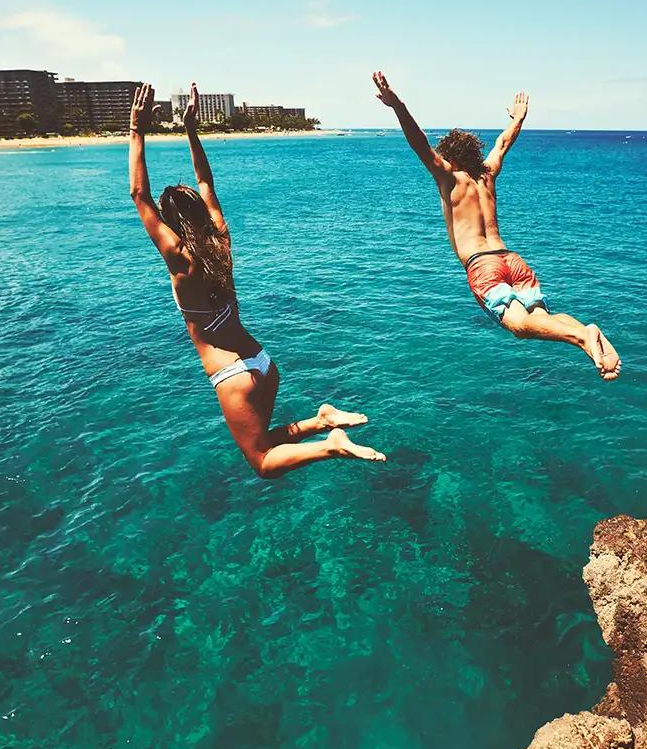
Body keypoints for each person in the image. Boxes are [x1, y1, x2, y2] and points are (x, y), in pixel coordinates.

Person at [128, 82, 385, 477]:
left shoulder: (180, 259)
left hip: (233, 375)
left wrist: (136, 130)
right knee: (265, 440)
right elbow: (206, 184)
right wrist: (190, 129)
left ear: (172, 225)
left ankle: (330, 445)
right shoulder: (220, 241)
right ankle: (321, 421)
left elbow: (138, 195)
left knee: (262, 463)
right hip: (262, 362)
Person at [371, 72, 621, 381]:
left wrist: (398, 106)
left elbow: (419, 143)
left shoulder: (449, 177)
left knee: (518, 326)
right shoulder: (487, 174)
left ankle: (585, 337)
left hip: (483, 264)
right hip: (512, 259)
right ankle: (585, 334)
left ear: (448, 156)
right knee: (541, 317)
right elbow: (503, 143)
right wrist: (519, 117)